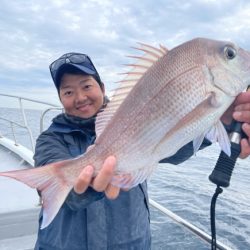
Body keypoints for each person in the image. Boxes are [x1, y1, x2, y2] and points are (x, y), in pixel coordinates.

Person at [34, 52, 250, 250]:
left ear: (102, 87)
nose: (80, 97)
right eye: (69, 91)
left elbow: (172, 149)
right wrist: (90, 186)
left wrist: (222, 121)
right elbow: (66, 196)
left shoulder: (131, 114)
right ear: (61, 98)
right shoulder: (50, 139)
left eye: (86, 86)